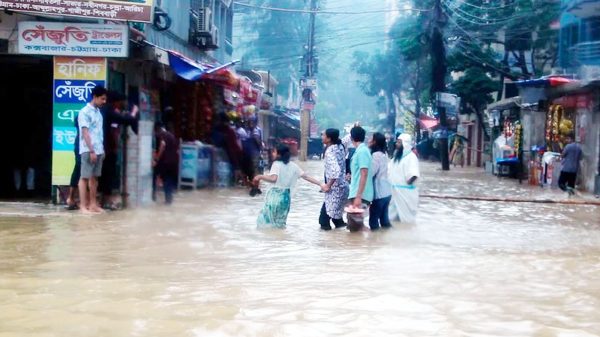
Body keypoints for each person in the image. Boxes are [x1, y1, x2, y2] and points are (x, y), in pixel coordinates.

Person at [253, 145, 325, 229]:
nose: (272, 153)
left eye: (274, 152)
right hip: (285, 198)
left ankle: (270, 241)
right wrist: (321, 184)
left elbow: (273, 179)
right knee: (280, 223)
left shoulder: (276, 164)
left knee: (267, 223)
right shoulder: (293, 166)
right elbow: (306, 177)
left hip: (274, 196)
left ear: (279, 154)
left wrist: (259, 177)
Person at [99, 92, 138, 210]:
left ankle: (102, 201)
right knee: (106, 176)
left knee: (106, 176)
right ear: (116, 101)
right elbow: (127, 120)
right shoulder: (109, 111)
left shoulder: (108, 111)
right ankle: (105, 201)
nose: (124, 104)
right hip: (106, 149)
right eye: (122, 102)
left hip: (106, 149)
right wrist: (134, 112)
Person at [78, 86, 108, 214]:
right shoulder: (84, 112)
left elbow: (99, 133)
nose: (104, 101)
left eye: (105, 99)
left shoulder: (98, 113)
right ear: (95, 97)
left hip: (98, 150)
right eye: (102, 99)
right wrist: (91, 151)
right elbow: (85, 133)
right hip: (88, 150)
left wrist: (101, 149)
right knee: (84, 177)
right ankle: (83, 206)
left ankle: (93, 205)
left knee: (95, 178)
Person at [319, 129, 349, 230]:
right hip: (343, 187)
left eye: (323, 135)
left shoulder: (330, 152)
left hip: (334, 190)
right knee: (337, 218)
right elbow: (347, 139)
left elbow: (335, 171)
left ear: (329, 139)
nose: (321, 136)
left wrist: (328, 185)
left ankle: (327, 244)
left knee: (323, 220)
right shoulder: (340, 146)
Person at [346, 126, 374, 232]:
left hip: (360, 194)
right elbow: (360, 173)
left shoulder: (362, 151)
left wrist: (358, 196)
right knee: (353, 225)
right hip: (357, 192)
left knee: (356, 225)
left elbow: (364, 173)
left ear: (351, 138)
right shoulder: (361, 151)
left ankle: (371, 242)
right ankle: (360, 246)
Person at [388, 133, 420, 224]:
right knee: (391, 218)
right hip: (394, 191)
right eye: (397, 142)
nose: (396, 144)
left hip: (405, 193)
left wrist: (406, 185)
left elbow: (414, 174)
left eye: (399, 142)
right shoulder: (396, 156)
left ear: (405, 144)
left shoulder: (411, 157)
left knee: (407, 220)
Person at [369, 132, 392, 230]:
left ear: (375, 142)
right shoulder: (384, 154)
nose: (369, 140)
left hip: (379, 193)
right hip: (387, 192)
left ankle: (375, 243)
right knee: (384, 221)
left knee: (373, 222)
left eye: (371, 139)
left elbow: (371, 173)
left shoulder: (376, 155)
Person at [154, 122, 179, 205]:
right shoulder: (171, 135)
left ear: (158, 130)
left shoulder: (163, 135)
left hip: (166, 163)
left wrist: (157, 159)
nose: (156, 134)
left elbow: (162, 145)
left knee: (166, 181)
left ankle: (168, 202)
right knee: (169, 182)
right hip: (173, 163)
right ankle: (169, 200)